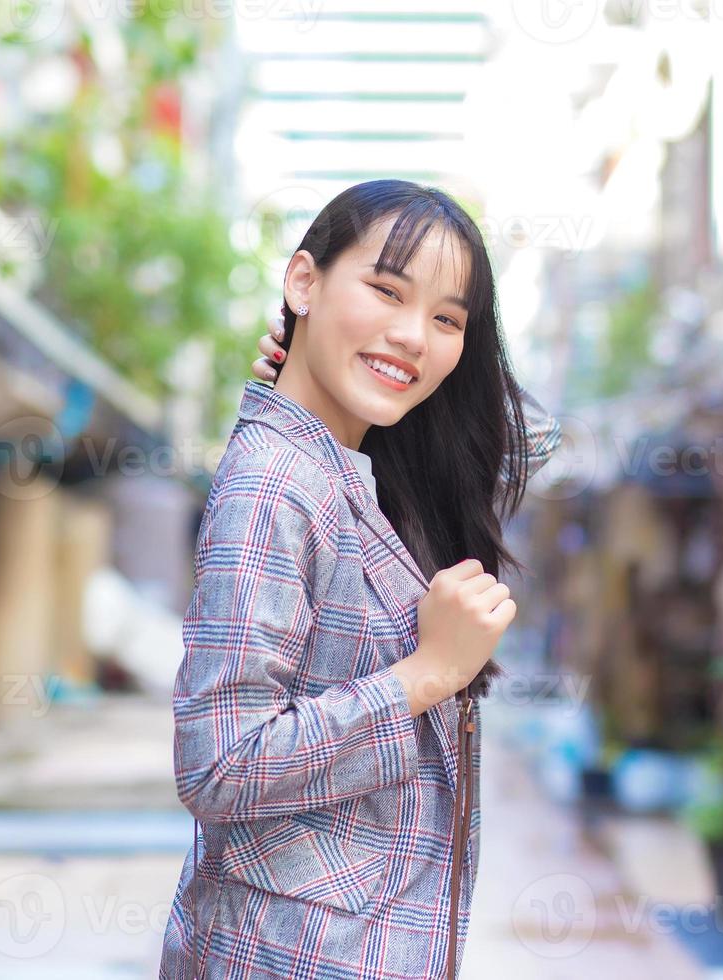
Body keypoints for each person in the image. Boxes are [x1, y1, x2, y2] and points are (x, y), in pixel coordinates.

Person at [159, 179, 562, 979]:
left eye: (448, 319)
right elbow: (219, 763)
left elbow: (526, 437)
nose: (414, 336)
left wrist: (336, 345)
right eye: (384, 291)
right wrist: (427, 676)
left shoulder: (357, 462)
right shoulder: (276, 483)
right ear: (302, 281)